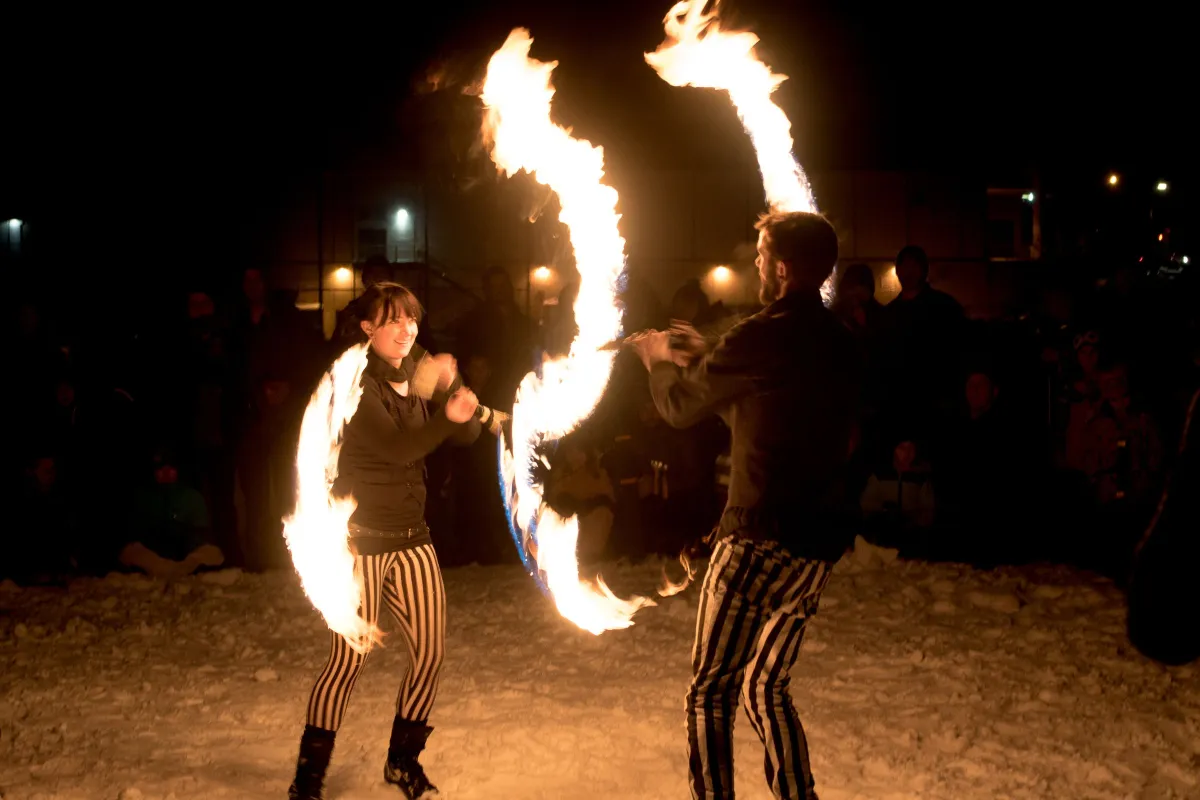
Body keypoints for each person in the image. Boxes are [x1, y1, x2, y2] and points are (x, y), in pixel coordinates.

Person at [630, 211, 862, 800]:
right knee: (767, 687)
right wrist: (709, 353)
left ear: (782, 268)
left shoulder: (762, 335)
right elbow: (771, 402)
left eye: (761, 254)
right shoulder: (839, 342)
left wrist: (657, 360)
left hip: (758, 538)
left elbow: (682, 407)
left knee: (711, 693)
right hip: (816, 548)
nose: (755, 262)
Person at [288, 282, 481, 800]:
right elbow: (401, 449)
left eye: (412, 320)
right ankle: (308, 779)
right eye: (393, 321)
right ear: (369, 328)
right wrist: (447, 414)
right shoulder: (354, 384)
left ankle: (403, 762)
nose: (406, 329)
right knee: (347, 661)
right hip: (361, 546)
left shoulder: (413, 367)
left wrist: (458, 393)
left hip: (413, 537)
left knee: (430, 653)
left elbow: (463, 434)